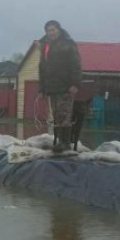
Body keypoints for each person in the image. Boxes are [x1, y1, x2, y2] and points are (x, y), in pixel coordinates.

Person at [38, 20, 83, 152]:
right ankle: (59, 142)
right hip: (51, 87)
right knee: (56, 115)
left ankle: (66, 143)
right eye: (48, 30)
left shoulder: (68, 44)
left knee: (65, 115)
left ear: (59, 30)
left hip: (65, 86)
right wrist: (42, 88)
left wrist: (75, 83)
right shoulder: (45, 46)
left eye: (53, 29)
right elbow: (42, 68)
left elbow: (76, 64)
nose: (51, 32)